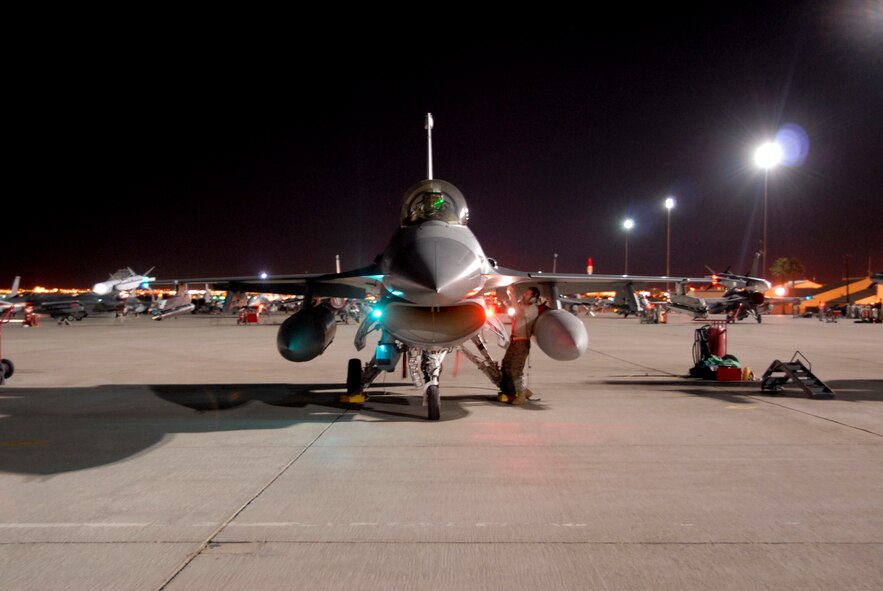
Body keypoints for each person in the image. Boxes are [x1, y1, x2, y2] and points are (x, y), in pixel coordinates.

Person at [499, 286, 544, 405]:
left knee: (516, 369)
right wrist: (510, 298)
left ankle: (522, 395)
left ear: (534, 298)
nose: (524, 295)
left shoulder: (532, 309)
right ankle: (513, 391)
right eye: (525, 293)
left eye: (528, 294)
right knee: (506, 365)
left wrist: (512, 295)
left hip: (522, 343)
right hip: (514, 341)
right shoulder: (522, 305)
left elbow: (518, 314)